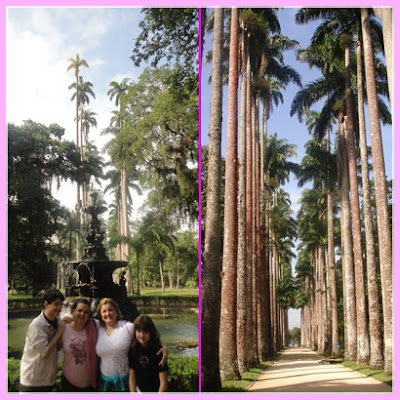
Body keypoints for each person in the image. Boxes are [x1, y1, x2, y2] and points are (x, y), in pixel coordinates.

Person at [95, 297, 168, 392]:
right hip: (104, 381)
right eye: (104, 311)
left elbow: (145, 334)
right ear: (100, 315)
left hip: (125, 381)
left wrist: (163, 347)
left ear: (116, 312)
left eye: (110, 310)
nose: (107, 313)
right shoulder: (97, 328)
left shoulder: (127, 327)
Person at [19, 289, 66, 392]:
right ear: (46, 304)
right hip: (33, 381)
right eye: (56, 304)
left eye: (61, 305)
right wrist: (60, 332)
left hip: (49, 379)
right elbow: (45, 352)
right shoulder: (36, 325)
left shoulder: (58, 322)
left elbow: (57, 347)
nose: (59, 308)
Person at [59, 298, 98, 392]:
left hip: (90, 384)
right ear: (73, 311)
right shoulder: (64, 328)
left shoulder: (95, 326)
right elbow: (54, 348)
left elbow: (110, 322)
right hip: (68, 382)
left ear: (89, 315)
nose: (82, 314)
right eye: (79, 311)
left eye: (86, 312)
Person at [128, 315, 168, 392]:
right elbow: (132, 377)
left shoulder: (158, 351)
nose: (142, 335)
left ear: (151, 332)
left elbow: (163, 383)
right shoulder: (133, 349)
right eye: (139, 331)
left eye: (145, 332)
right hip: (139, 390)